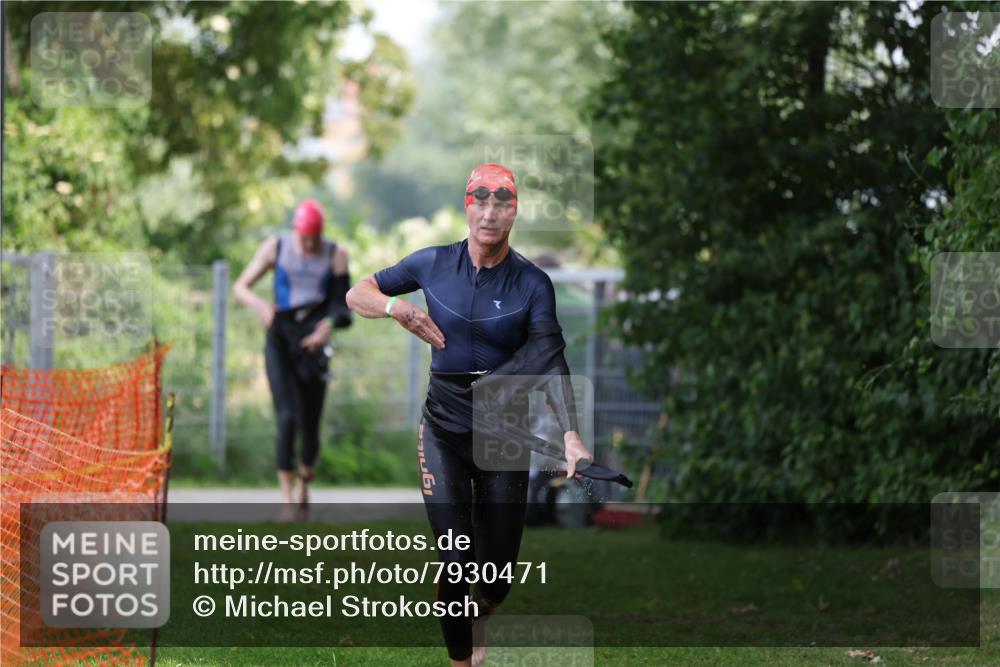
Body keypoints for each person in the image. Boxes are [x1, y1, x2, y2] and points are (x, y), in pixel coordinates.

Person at [346, 164, 592, 667]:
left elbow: (550, 359)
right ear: (467, 206)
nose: (490, 212)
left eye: (501, 202)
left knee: (497, 575)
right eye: (480, 200)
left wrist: (570, 433)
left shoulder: (532, 284)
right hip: (444, 431)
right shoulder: (433, 263)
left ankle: (481, 606)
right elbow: (358, 292)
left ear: (513, 212)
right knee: (456, 561)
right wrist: (400, 310)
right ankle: (462, 659)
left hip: (506, 435)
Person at [233, 199, 352, 520]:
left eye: (315, 238)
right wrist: (259, 305)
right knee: (286, 416)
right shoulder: (276, 247)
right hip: (280, 342)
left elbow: (343, 308)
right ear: (296, 231)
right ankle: (287, 502)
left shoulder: (335, 255)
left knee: (310, 425)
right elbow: (240, 287)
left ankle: (304, 484)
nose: (309, 244)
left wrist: (326, 327)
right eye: (304, 238)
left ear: (321, 233)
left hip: (313, 346)